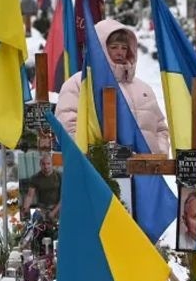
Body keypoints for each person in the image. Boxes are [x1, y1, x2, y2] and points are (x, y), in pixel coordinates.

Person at [55, 20, 171, 154]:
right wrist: (96, 160)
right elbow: (67, 127)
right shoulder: (78, 84)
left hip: (145, 171)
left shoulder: (144, 89)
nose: (120, 52)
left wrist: (159, 155)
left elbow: (161, 129)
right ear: (100, 48)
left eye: (124, 48)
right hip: (99, 171)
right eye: (114, 47)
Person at [20, 151, 61, 221]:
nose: (46, 166)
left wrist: (54, 212)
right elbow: (30, 195)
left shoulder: (59, 176)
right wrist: (25, 208)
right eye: (43, 164)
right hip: (41, 208)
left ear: (52, 164)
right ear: (40, 165)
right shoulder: (35, 178)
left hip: (58, 207)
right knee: (35, 225)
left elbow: (64, 197)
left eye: (48, 164)